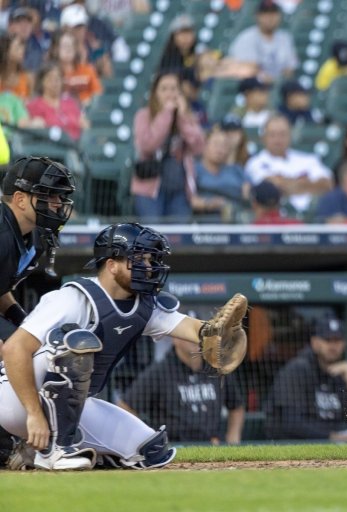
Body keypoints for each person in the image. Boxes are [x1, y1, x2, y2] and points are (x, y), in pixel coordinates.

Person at [0, 222, 247, 470]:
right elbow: (13, 350)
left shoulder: (143, 305)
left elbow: (192, 329)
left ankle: (34, 451)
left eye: (150, 260)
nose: (149, 267)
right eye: (140, 259)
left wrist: (213, 332)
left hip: (66, 407)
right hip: (14, 397)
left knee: (150, 451)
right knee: (75, 344)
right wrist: (33, 414)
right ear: (112, 265)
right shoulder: (72, 298)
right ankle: (53, 450)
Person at [0, 157, 75, 345]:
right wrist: (13, 339)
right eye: (48, 195)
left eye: (59, 196)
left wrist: (23, 321)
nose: (58, 203)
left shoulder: (37, 237)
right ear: (20, 199)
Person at [119, 337, 245, 444]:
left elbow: (236, 406)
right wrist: (144, 440)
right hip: (173, 447)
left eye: (197, 334)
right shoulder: (159, 372)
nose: (194, 339)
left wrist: (233, 440)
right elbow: (125, 407)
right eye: (187, 335)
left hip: (212, 445)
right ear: (175, 339)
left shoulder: (216, 369)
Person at [264, 315, 347, 440]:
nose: (333, 346)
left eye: (338, 340)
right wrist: (333, 437)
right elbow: (292, 424)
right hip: (294, 448)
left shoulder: (340, 373)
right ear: (315, 343)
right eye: (328, 340)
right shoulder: (297, 370)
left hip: (332, 446)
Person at [131, 70, 205, 222]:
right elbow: (147, 145)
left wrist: (183, 117)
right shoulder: (144, 115)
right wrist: (166, 114)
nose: (169, 94)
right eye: (164, 89)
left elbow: (198, 147)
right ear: (155, 93)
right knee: (153, 237)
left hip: (179, 189)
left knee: (179, 239)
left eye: (173, 89)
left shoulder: (186, 115)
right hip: (150, 189)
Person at [244, 115, 333, 218]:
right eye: (272, 135)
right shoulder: (255, 162)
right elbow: (272, 189)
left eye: (282, 134)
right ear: (263, 137)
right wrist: (306, 182)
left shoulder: (308, 159)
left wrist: (286, 183)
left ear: (290, 136)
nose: (278, 139)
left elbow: (327, 184)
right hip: (279, 220)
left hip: (313, 217)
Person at [224, 0, 298, 83]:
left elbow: (290, 69)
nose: (270, 17)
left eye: (273, 13)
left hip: (277, 87)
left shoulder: (285, 38)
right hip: (252, 87)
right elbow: (246, 70)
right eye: (265, 13)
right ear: (257, 16)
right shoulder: (246, 38)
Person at [26, 62, 89, 141]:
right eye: (50, 79)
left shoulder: (70, 102)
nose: (55, 82)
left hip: (76, 145)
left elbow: (84, 123)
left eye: (58, 79)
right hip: (51, 148)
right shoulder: (35, 105)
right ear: (42, 82)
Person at [48, 30, 102, 106]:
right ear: (56, 50)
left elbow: (97, 94)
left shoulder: (87, 70)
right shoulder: (50, 73)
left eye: (71, 46)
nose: (68, 50)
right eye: (65, 46)